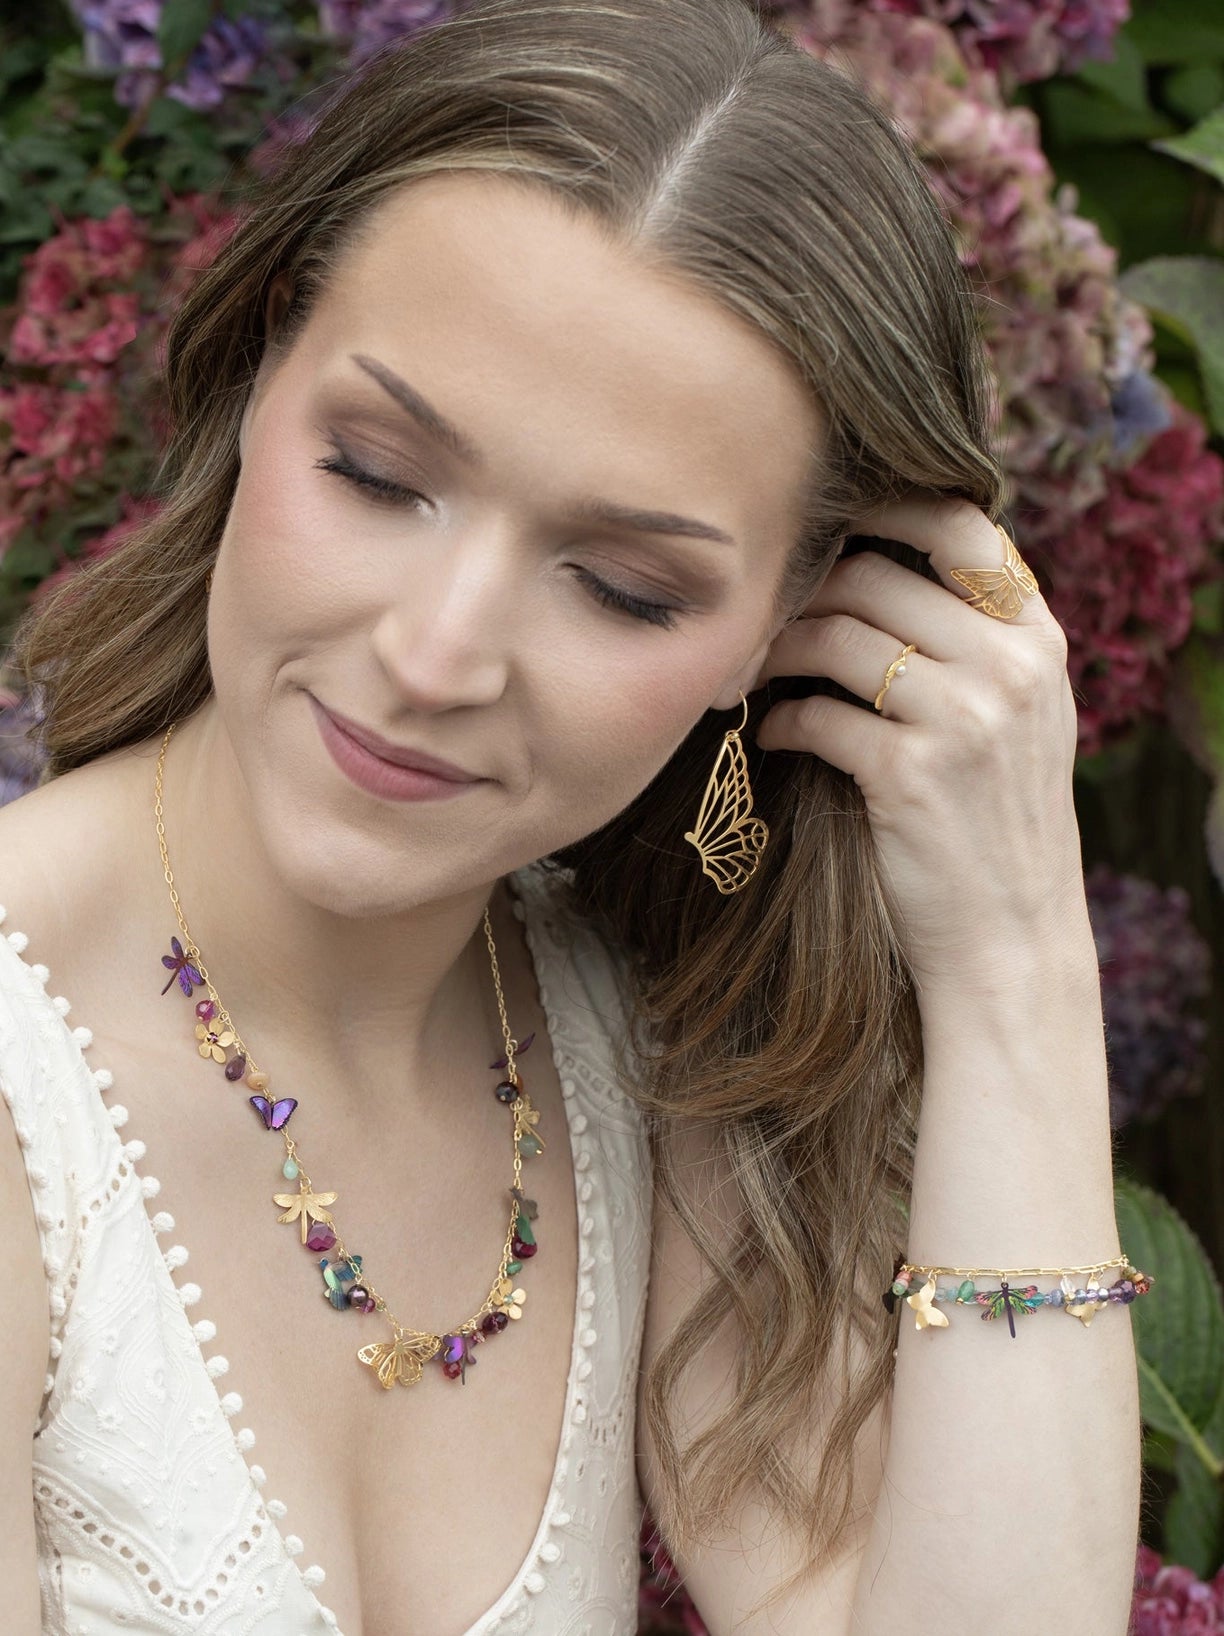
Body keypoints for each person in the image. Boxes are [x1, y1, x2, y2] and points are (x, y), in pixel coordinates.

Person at [0, 0, 1142, 1631]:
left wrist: (1020, 960)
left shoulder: (637, 1028)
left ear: (793, 624)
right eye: (379, 475)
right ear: (256, 372)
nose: (434, 654)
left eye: (621, 585)